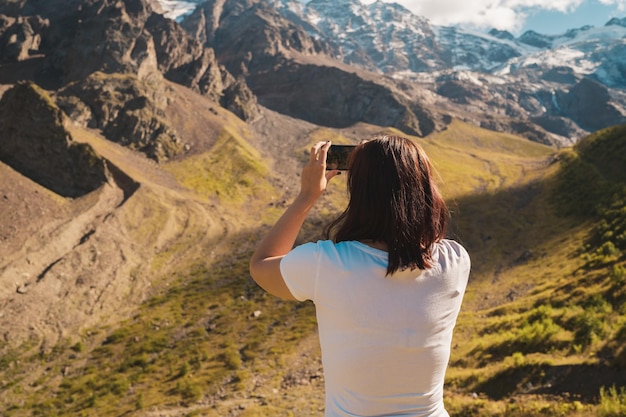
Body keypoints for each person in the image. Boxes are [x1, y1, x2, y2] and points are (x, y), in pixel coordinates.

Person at [249, 136, 471, 417]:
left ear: (361, 193)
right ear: (425, 188)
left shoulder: (326, 264)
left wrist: (307, 196)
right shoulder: (456, 261)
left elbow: (261, 265)